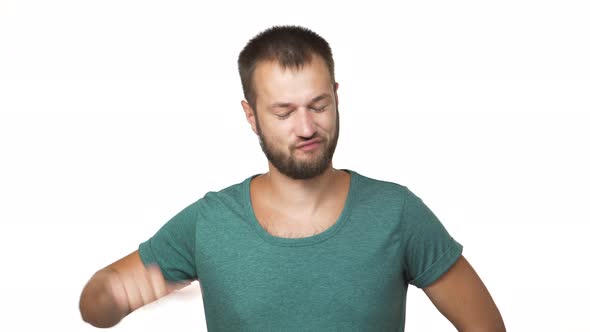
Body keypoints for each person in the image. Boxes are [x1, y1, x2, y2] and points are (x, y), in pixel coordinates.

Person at [79, 25, 505, 331]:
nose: (306, 128)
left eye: (318, 106)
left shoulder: (397, 212)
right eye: (283, 112)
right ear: (251, 116)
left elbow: (486, 326)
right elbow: (96, 304)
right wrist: (111, 298)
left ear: (337, 97)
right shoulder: (209, 222)